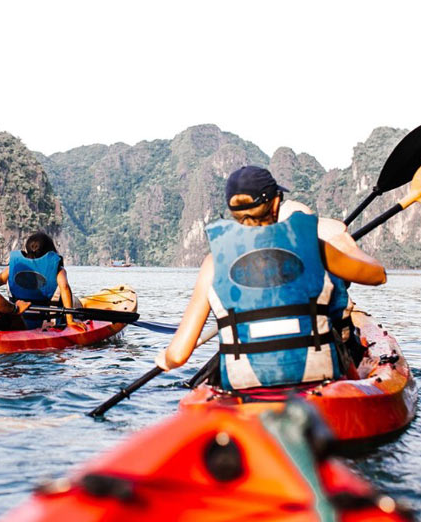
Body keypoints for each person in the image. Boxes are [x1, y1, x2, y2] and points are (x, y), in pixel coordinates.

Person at [154, 166, 386, 391]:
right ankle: (352, 379)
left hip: (244, 387)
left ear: (233, 211)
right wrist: (348, 246)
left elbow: (178, 355)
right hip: (317, 383)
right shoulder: (314, 247)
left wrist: (166, 359)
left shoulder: (213, 263)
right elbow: (378, 275)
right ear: (276, 203)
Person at [0, 232, 85, 331]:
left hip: (17, 321)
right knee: (75, 303)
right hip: (47, 323)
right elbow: (65, 288)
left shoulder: (11, 269)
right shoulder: (58, 271)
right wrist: (70, 321)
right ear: (50, 250)